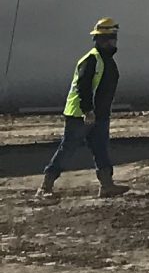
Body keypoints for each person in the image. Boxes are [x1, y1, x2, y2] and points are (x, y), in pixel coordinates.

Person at [35, 18, 121, 202]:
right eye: (110, 37)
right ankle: (45, 187)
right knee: (67, 149)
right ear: (101, 39)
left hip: (99, 115)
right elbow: (83, 87)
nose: (113, 41)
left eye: (114, 37)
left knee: (101, 149)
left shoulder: (106, 60)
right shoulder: (92, 60)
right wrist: (87, 111)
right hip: (80, 115)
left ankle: (107, 185)